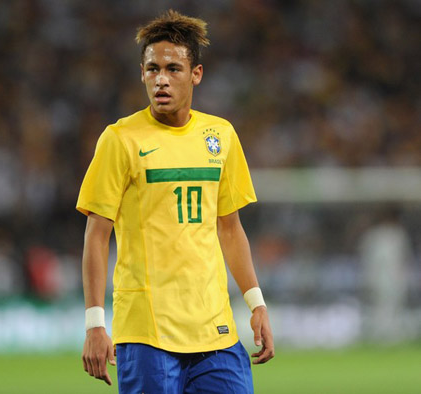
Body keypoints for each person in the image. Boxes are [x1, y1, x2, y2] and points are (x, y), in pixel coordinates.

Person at [77, 10, 274, 393]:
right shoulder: (120, 140)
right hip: (149, 332)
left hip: (214, 330)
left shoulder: (221, 136)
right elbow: (97, 237)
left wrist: (257, 303)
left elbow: (230, 229)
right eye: (152, 69)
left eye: (173, 68)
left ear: (196, 74)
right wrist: (94, 324)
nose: (161, 79)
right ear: (142, 73)